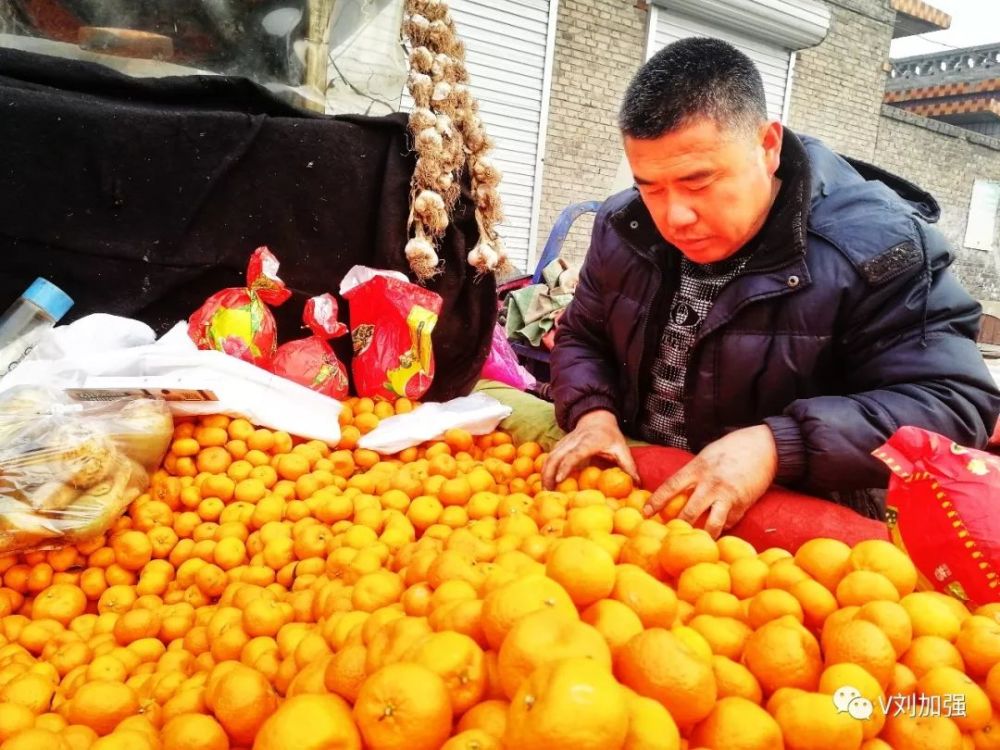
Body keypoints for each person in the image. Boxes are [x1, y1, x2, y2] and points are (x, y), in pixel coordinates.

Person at [542, 37, 1000, 537]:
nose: (675, 216)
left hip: (795, 527)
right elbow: (583, 337)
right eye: (650, 185)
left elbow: (953, 402)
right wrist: (593, 413)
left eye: (698, 182)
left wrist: (779, 446)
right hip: (639, 505)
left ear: (767, 146)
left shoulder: (878, 245)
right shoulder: (624, 225)